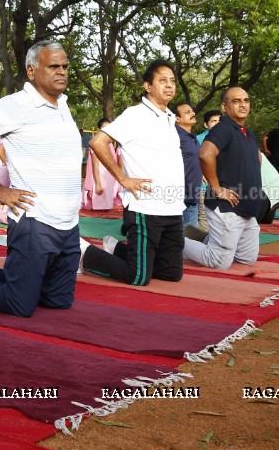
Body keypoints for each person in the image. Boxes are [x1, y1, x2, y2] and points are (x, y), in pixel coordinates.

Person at [0, 42, 83, 317]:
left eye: (65, 67)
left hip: (68, 225)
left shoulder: (62, 103)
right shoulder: (17, 105)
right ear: (32, 70)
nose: (62, 72)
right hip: (35, 222)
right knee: (19, 304)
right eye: (53, 66)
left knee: (58, 301)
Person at [80, 60, 185, 286]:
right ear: (147, 86)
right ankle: (85, 254)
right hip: (145, 207)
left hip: (172, 208)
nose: (169, 86)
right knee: (138, 277)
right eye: (162, 81)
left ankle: (116, 248)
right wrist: (122, 179)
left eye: (172, 81)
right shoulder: (136, 114)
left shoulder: (169, 116)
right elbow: (98, 142)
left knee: (171, 273)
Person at [183, 87, 262, 270]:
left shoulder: (247, 132)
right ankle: (169, 242)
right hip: (227, 207)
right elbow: (205, 154)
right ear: (224, 106)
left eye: (246, 100)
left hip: (247, 208)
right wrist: (217, 189)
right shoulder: (224, 128)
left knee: (246, 259)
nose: (243, 104)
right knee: (218, 261)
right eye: (236, 101)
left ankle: (205, 239)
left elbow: (255, 160)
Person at [81, 117, 123, 211]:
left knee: (107, 207)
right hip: (99, 177)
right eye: (104, 127)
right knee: (98, 207)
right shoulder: (96, 144)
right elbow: (95, 165)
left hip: (108, 178)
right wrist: (98, 184)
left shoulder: (110, 144)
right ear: (99, 129)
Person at [175, 103, 202, 230]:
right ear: (177, 118)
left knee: (191, 237)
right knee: (176, 238)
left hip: (192, 196)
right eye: (187, 112)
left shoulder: (192, 137)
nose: (193, 113)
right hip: (177, 197)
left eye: (192, 111)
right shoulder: (174, 136)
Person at [195, 110, 221, 232]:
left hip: (222, 187)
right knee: (204, 219)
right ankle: (200, 248)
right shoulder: (199, 139)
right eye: (213, 121)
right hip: (204, 187)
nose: (217, 124)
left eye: (219, 121)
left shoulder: (225, 138)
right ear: (206, 124)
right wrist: (200, 173)